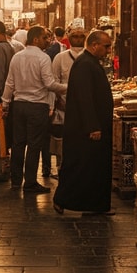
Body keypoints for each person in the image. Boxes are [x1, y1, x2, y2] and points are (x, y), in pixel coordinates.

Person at [53, 29, 115, 215]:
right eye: (106, 46)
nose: (108, 50)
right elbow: (84, 98)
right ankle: (62, 199)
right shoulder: (85, 64)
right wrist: (93, 126)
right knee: (80, 167)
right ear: (94, 45)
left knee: (92, 168)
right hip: (85, 129)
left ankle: (93, 204)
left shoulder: (89, 62)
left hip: (91, 126)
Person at [2, 25, 66, 192]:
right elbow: (49, 84)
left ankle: (16, 180)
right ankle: (30, 182)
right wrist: (67, 87)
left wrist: (5, 103)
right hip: (37, 106)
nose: (48, 40)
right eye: (45, 37)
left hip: (19, 105)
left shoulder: (17, 57)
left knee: (18, 144)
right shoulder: (43, 58)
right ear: (35, 39)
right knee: (34, 144)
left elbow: (10, 82)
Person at [50, 26, 87, 176]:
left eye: (80, 36)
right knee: (63, 141)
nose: (78, 39)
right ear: (69, 38)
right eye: (75, 36)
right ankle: (61, 168)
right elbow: (54, 80)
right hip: (63, 105)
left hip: (84, 107)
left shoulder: (89, 57)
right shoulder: (60, 58)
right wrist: (58, 100)